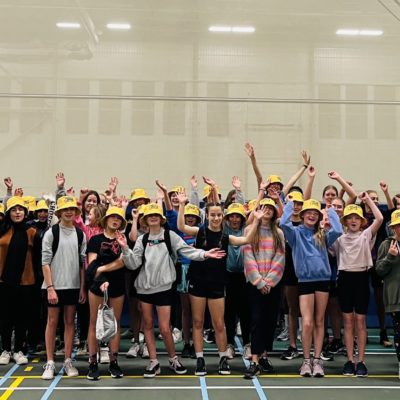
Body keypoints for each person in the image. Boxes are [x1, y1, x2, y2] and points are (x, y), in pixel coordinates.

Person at [119, 202, 226, 378]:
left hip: (164, 289)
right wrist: (124, 248)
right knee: (147, 325)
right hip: (144, 289)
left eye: (156, 215)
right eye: (150, 216)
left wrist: (205, 254)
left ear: (160, 219)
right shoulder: (141, 239)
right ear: (146, 219)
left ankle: (173, 358)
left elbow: (187, 251)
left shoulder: (170, 236)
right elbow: (133, 263)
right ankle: (153, 362)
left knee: (164, 328)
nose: (153, 218)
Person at [177, 188, 265, 376]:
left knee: (219, 324)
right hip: (197, 283)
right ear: (207, 216)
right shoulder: (199, 232)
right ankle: (200, 359)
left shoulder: (226, 237)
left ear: (222, 216)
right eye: (212, 215)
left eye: (219, 215)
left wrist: (256, 219)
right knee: (198, 322)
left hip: (217, 284)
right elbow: (182, 227)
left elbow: (247, 239)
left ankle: (223, 358)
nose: (216, 218)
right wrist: (183, 205)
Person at [281, 198, 342, 377]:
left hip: (322, 280)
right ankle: (306, 361)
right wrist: (290, 205)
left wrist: (329, 211)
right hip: (305, 282)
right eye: (308, 213)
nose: (312, 215)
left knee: (319, 320)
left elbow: (338, 230)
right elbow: (284, 223)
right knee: (306, 322)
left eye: (315, 213)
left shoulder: (323, 234)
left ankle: (317, 361)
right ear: (302, 215)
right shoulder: (295, 234)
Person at [331, 194, 383, 377]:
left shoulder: (366, 235)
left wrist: (368, 200)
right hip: (344, 279)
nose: (353, 221)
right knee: (347, 321)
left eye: (356, 218)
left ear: (362, 222)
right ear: (345, 221)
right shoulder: (339, 239)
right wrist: (329, 213)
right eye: (349, 218)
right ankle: (349, 360)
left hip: (361, 278)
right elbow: (326, 237)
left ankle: (361, 361)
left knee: (360, 321)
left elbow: (380, 218)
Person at [41, 196, 86, 380]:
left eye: (72, 209)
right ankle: (50, 362)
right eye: (65, 209)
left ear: (76, 213)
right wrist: (50, 287)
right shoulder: (51, 233)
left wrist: (82, 288)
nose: (69, 212)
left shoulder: (80, 234)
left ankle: (68, 360)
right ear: (59, 212)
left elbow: (83, 264)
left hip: (73, 286)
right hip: (54, 286)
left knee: (69, 323)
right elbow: (45, 262)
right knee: (52, 322)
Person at [242, 198, 285, 379]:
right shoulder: (249, 231)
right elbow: (248, 257)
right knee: (257, 320)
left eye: (270, 208)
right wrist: (259, 282)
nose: (267, 210)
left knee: (269, 320)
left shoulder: (279, 233)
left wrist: (269, 281)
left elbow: (280, 257)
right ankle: (254, 361)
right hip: (255, 285)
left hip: (272, 285)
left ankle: (264, 356)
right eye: (263, 207)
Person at [85, 207, 127, 380]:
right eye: (112, 217)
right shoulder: (95, 240)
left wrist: (104, 267)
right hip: (97, 287)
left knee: (114, 324)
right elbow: (92, 267)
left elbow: (124, 262)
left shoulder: (122, 240)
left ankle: (113, 362)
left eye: (118, 218)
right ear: (106, 220)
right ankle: (93, 363)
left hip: (117, 286)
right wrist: (102, 278)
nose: (115, 220)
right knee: (94, 323)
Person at [0, 197, 39, 366]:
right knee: (5, 317)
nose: (17, 212)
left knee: (22, 317)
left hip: (26, 282)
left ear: (25, 212)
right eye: (14, 210)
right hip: (4, 281)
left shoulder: (32, 232)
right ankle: (5, 350)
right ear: (8, 213)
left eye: (21, 209)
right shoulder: (1, 230)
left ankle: (19, 350)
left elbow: (38, 258)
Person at [376, 209, 400, 380]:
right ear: (392, 228)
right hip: (396, 298)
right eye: (398, 226)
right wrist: (390, 257)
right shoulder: (386, 245)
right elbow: (379, 271)